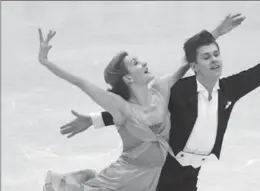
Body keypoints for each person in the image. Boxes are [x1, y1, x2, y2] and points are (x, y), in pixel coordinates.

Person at [60, 3, 260, 191]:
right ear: (194, 66)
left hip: (190, 177)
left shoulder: (230, 90)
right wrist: (95, 120)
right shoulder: (179, 90)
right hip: (162, 175)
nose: (215, 59)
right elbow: (139, 113)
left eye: (216, 54)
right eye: (207, 57)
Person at [39, 13, 245, 191]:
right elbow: (81, 82)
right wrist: (46, 61)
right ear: (128, 78)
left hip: (159, 179)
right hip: (125, 178)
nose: (144, 63)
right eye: (135, 63)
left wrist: (218, 32)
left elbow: (187, 60)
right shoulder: (122, 107)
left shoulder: (161, 88)